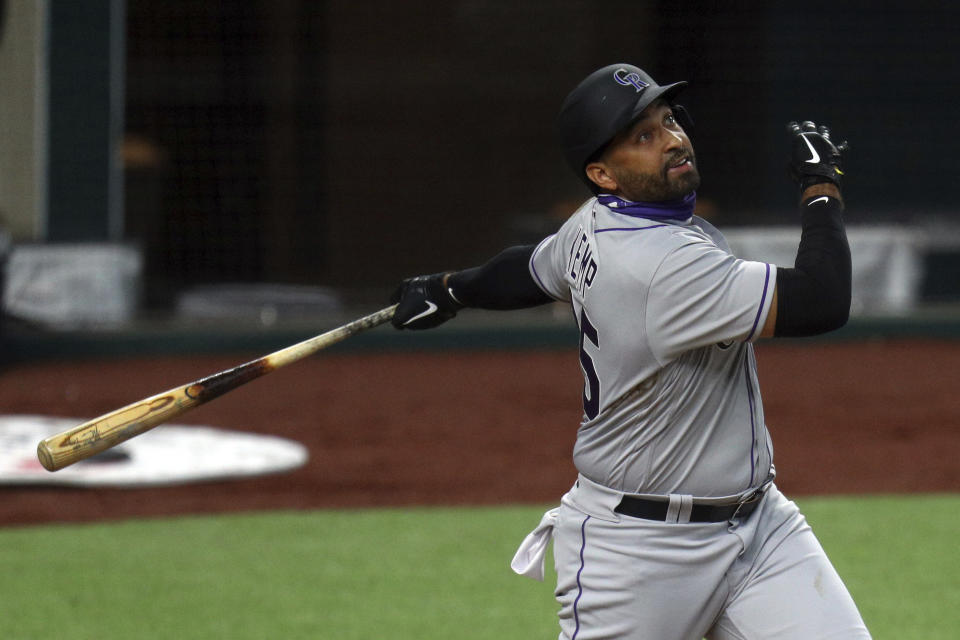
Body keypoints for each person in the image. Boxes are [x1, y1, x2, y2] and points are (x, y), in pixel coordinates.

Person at [389, 63, 870, 639]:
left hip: (762, 529)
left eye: (668, 121)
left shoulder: (596, 223)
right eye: (643, 137)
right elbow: (822, 300)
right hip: (640, 555)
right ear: (603, 173)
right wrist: (821, 188)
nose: (672, 139)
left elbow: (529, 269)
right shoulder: (661, 267)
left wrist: (450, 288)